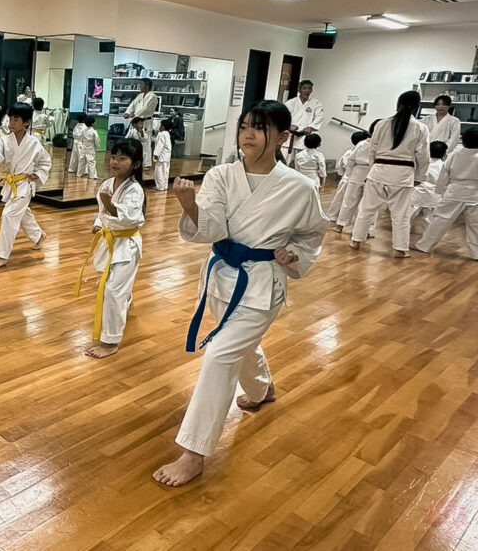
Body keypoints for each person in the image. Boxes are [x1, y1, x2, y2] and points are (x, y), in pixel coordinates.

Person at [153, 100, 327, 487]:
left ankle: (193, 452)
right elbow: (212, 227)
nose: (248, 134)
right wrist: (189, 206)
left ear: (283, 137)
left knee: (219, 354)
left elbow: (312, 234)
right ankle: (262, 389)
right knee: (238, 344)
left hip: (262, 282)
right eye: (244, 126)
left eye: (259, 128)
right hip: (221, 278)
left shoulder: (300, 187)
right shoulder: (221, 175)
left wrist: (292, 254)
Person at [76, 139, 145, 359]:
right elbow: (101, 212)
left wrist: (110, 206)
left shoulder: (135, 190)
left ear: (135, 164)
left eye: (122, 158)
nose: (115, 162)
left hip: (126, 245)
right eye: (113, 157)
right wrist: (98, 222)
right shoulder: (107, 184)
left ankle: (110, 342)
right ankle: (128, 298)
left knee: (113, 291)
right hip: (109, 241)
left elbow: (129, 218)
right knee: (111, 283)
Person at [350, 91, 430, 258]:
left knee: (366, 209)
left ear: (398, 104)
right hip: (403, 175)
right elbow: (423, 156)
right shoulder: (420, 128)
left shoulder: (382, 124)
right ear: (417, 107)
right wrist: (419, 177)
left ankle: (356, 240)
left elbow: (372, 149)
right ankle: (400, 249)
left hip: (379, 170)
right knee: (401, 215)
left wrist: (373, 168)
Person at [0, 102, 52, 269]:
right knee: (22, 213)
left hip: (25, 184)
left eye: (16, 120)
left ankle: (1, 256)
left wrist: (38, 173)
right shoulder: (5, 141)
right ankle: (38, 235)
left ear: (26, 123)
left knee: (9, 215)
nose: (11, 123)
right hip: (11, 183)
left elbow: (45, 161)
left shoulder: (34, 143)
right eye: (10, 119)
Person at [412, 128, 478, 259]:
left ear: (464, 141)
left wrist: (440, 191)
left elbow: (444, 173)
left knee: (440, 220)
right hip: (475, 193)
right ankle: (476, 253)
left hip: (454, 191)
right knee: (476, 225)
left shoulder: (456, 154)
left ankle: (424, 245)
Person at [328, 131, 370, 222]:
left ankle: (333, 216)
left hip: (346, 177)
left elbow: (340, 164)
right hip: (355, 177)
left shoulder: (349, 152)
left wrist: (342, 174)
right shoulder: (367, 150)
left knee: (340, 198)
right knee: (353, 200)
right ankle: (351, 220)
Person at [284, 80, 325, 168]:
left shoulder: (316, 103)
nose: (307, 90)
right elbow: (283, 116)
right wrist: (289, 125)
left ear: (312, 90)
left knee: (302, 164)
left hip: (304, 136)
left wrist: (311, 127)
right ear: (299, 90)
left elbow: (319, 116)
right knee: (285, 162)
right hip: (290, 136)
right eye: (304, 88)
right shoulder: (291, 103)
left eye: (309, 88)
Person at [409, 140, 448, 232]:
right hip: (433, 196)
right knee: (429, 219)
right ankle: (427, 236)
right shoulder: (443, 166)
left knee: (408, 217)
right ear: (444, 154)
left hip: (417, 194)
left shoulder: (421, 163)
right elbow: (444, 183)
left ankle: (404, 233)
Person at [122, 78, 159, 167]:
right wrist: (127, 112)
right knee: (134, 142)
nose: (140, 86)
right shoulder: (140, 95)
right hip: (136, 120)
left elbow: (145, 108)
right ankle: (133, 160)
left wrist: (133, 115)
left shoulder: (152, 97)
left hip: (145, 121)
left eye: (141, 85)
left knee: (146, 143)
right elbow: (132, 105)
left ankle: (146, 164)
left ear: (147, 86)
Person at [153, 119, 174, 191]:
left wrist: (156, 154)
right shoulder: (167, 134)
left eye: (160, 125)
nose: (159, 127)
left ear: (163, 126)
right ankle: (165, 186)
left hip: (162, 156)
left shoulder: (162, 134)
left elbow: (159, 145)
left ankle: (160, 187)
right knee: (165, 172)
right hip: (166, 156)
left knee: (159, 172)